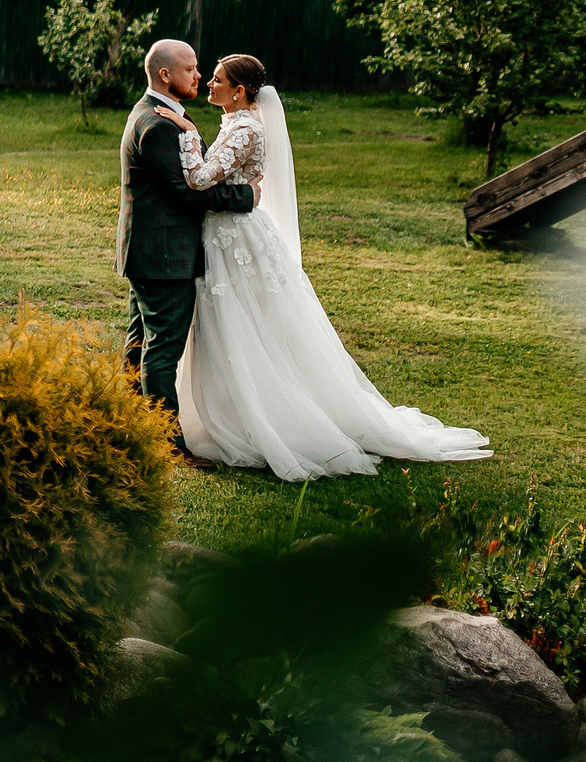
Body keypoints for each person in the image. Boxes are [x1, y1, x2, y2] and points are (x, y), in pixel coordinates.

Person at [175, 53, 491, 479]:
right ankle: (227, 411)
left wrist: (188, 134)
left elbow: (199, 179)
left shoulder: (246, 129)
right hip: (226, 234)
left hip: (236, 240)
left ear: (239, 91)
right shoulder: (235, 124)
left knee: (243, 323)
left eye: (217, 79)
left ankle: (264, 418)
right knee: (231, 323)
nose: (209, 84)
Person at [118, 39, 259, 462]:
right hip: (164, 255)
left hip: (150, 251)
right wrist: (246, 197)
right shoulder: (158, 124)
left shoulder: (161, 114)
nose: (199, 76)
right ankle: (166, 445)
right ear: (165, 75)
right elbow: (186, 191)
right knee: (162, 350)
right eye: (191, 69)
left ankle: (124, 424)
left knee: (141, 343)